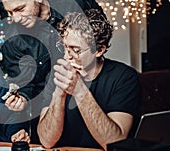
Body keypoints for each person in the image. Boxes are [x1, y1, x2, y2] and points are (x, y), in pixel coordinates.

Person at [0, 0, 104, 143]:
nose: (15, 18)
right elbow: (25, 83)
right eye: (9, 12)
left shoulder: (75, 3)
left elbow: (101, 35)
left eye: (20, 8)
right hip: (49, 111)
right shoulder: (13, 41)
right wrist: (22, 97)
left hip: (90, 96)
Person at [37, 9, 141, 150]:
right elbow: (46, 141)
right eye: (65, 47)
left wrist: (79, 91)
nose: (67, 57)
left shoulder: (124, 77)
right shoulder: (58, 74)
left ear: (99, 50)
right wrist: (59, 94)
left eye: (76, 50)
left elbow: (115, 143)